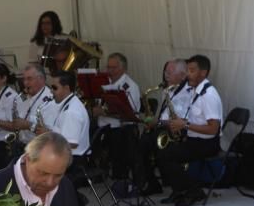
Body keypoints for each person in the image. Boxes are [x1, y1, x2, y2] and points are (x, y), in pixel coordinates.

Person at [157, 55, 223, 206]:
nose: (187, 74)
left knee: (166, 156)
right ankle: (180, 190)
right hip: (196, 138)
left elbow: (213, 129)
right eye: (187, 70)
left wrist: (185, 125)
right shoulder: (195, 91)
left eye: (192, 70)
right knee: (164, 152)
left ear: (203, 73)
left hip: (207, 143)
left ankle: (193, 190)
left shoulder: (209, 95)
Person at [139, 59, 190, 194]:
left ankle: (177, 189)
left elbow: (183, 120)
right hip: (163, 129)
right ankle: (152, 183)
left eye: (170, 72)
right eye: (165, 71)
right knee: (140, 144)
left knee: (158, 148)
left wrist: (159, 123)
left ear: (183, 75)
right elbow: (161, 114)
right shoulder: (167, 89)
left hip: (177, 132)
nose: (166, 75)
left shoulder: (188, 93)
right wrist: (152, 120)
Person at [91, 52, 142, 181]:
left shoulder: (130, 86)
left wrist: (104, 112)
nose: (109, 70)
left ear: (123, 69)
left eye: (113, 68)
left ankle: (119, 177)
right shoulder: (103, 82)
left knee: (118, 139)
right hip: (103, 125)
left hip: (120, 128)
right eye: (108, 67)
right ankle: (92, 171)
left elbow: (131, 113)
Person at [36, 71, 89, 156]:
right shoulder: (69, 102)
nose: (51, 91)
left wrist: (47, 134)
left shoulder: (71, 112)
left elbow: (71, 144)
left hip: (71, 160)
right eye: (51, 87)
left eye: (54, 88)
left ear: (66, 88)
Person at [12, 63, 54, 149]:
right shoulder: (22, 97)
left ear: (41, 79)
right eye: (24, 79)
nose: (25, 83)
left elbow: (50, 133)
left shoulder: (51, 99)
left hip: (40, 149)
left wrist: (28, 125)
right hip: (22, 145)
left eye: (29, 79)